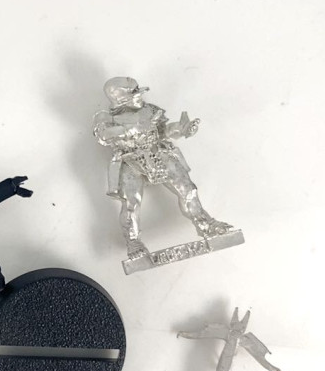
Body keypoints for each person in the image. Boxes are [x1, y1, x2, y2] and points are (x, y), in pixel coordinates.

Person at [93, 77, 232, 259]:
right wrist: (131, 129)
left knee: (188, 189)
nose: (140, 96)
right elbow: (103, 136)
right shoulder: (107, 117)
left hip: (158, 153)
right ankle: (133, 241)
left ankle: (206, 224)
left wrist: (181, 129)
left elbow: (163, 131)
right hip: (129, 159)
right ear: (120, 98)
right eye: (135, 93)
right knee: (131, 202)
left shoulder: (149, 110)